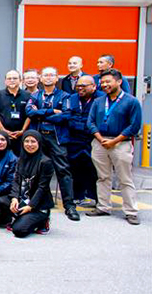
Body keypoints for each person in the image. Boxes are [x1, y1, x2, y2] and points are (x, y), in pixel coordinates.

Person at [86, 69, 141, 225]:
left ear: (119, 81)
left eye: (108, 81)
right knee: (103, 177)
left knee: (125, 178)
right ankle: (103, 206)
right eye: (102, 82)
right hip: (100, 143)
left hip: (120, 144)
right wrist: (100, 138)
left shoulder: (131, 102)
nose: (104, 85)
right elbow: (90, 122)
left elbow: (134, 126)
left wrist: (114, 141)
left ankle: (131, 211)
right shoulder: (98, 101)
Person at [25, 66, 80, 221]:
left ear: (57, 78)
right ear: (41, 79)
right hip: (38, 137)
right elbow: (29, 112)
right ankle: (37, 202)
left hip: (56, 138)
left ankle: (69, 206)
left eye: (51, 75)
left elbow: (66, 116)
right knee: (35, 170)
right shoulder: (36, 95)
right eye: (45, 75)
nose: (48, 78)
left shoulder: (65, 96)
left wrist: (40, 114)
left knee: (63, 171)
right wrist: (50, 112)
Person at [64, 75, 104, 207]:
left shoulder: (101, 98)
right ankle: (77, 195)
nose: (80, 88)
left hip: (93, 138)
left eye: (83, 86)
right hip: (74, 139)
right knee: (75, 168)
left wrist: (82, 125)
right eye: (78, 86)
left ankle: (94, 196)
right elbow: (68, 115)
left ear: (93, 86)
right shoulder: (72, 98)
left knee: (94, 169)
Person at [8, 131, 55, 237]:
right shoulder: (21, 159)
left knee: (19, 230)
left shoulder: (45, 162)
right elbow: (16, 181)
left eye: (33, 142)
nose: (29, 145)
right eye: (26, 141)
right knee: (1, 203)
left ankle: (43, 220)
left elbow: (42, 188)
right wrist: (14, 198)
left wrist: (30, 206)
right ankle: (21, 217)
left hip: (37, 204)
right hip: (23, 199)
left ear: (39, 143)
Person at [0, 70, 31, 156]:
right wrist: (3, 130)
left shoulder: (27, 95)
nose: (12, 80)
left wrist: (22, 130)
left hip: (21, 135)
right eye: (9, 78)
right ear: (5, 81)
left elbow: (30, 115)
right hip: (3, 135)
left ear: (20, 80)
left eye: (15, 78)